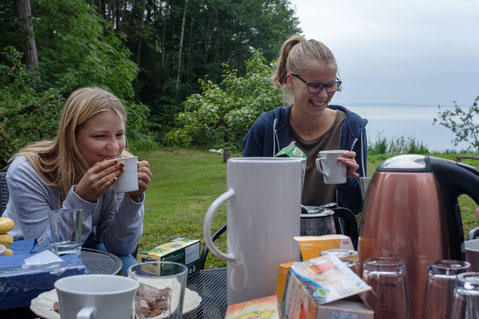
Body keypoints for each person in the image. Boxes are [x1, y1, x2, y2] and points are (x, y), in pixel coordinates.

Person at [2, 87, 152, 275]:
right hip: (24, 255)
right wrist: (83, 199)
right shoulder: (28, 170)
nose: (114, 147)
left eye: (119, 135)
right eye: (100, 136)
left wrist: (134, 199)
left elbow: (121, 248)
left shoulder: (121, 165)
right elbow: (45, 253)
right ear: (71, 137)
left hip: (87, 246)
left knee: (131, 271)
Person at [242, 35, 367, 214]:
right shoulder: (267, 128)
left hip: (334, 239)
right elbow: (245, 197)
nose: (324, 95)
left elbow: (356, 209)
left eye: (331, 85)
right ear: (291, 80)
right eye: (315, 85)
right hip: (276, 237)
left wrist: (349, 180)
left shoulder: (352, 129)